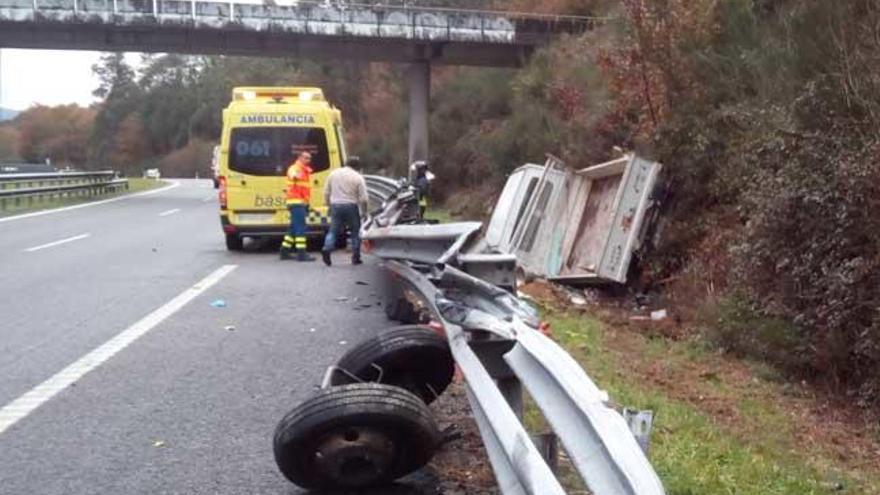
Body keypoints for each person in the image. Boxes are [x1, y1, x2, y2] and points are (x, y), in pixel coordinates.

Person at [321, 156, 369, 266]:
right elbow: (364, 198)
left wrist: (329, 205)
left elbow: (326, 192)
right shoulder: (358, 177)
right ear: (357, 167)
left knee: (333, 230)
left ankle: (327, 248)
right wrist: (364, 212)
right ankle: (355, 257)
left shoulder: (333, 174)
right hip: (351, 206)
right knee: (355, 232)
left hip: (335, 206)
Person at [280, 150, 315, 262]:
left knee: (293, 228)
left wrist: (306, 203)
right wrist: (296, 175)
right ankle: (301, 254)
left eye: (309, 158)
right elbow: (293, 175)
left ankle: (284, 251)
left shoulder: (305, 171)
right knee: (301, 228)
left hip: (299, 203)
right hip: (296, 203)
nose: (308, 160)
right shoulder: (295, 168)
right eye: (306, 158)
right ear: (300, 158)